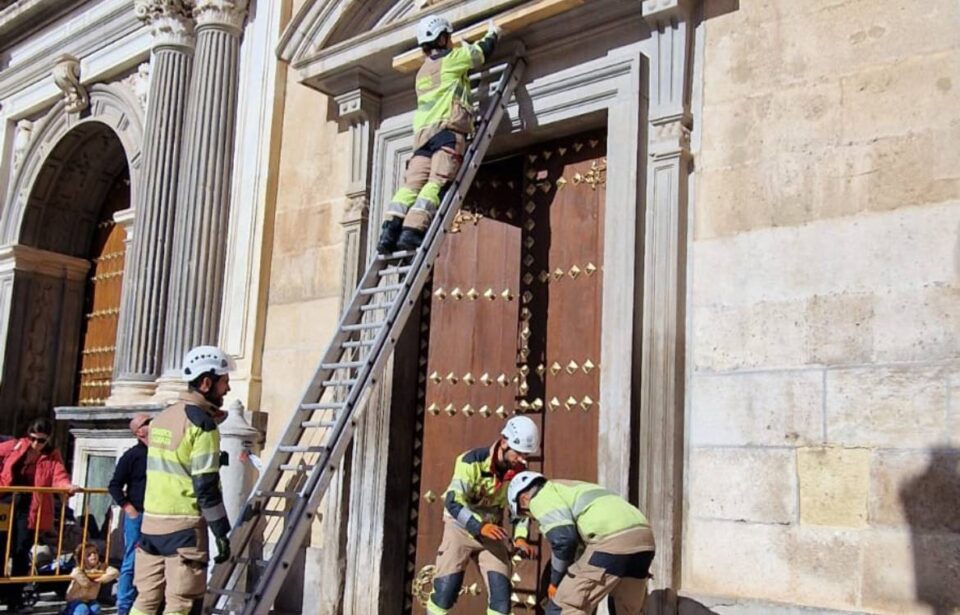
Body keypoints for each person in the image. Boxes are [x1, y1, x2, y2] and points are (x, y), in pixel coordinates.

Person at [376, 14, 501, 254]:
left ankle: (388, 233)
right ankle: (412, 232)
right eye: (448, 37)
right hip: (447, 131)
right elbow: (479, 54)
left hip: (422, 138)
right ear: (442, 38)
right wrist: (492, 34)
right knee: (438, 181)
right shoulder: (452, 60)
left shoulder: (422, 72)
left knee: (410, 186)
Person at [130, 346, 233, 615]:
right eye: (224, 382)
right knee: (182, 605)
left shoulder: (162, 418)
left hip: (151, 526)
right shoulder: (202, 425)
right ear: (206, 382)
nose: (228, 389)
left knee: (145, 602)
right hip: (184, 529)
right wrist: (221, 531)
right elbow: (205, 486)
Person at [427, 416, 540, 615]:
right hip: (460, 528)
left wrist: (520, 538)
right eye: (519, 453)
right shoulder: (470, 461)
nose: (523, 460)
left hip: (491, 533)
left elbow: (519, 510)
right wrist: (478, 526)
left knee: (501, 600)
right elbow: (453, 502)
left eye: (527, 455)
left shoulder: (518, 472)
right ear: (504, 443)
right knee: (445, 591)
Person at [506, 472, 656, 615]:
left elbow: (564, 540)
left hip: (610, 540)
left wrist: (556, 582)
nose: (533, 518)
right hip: (644, 540)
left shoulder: (540, 497)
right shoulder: (570, 488)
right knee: (626, 610)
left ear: (524, 499)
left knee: (564, 606)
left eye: (526, 513)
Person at [0, 418, 80, 611]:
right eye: (33, 438)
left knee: (19, 552)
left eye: (41, 440)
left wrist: (68, 487)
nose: (36, 444)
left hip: (29, 509)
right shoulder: (14, 446)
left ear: (48, 440)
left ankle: (14, 599)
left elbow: (59, 476)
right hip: (6, 502)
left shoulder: (52, 456)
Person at [108, 413, 151, 615]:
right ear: (139, 431)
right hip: (138, 515)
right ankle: (123, 607)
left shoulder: (161, 454)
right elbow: (115, 485)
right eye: (147, 423)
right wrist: (130, 510)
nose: (153, 425)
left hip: (157, 515)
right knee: (131, 562)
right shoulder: (132, 455)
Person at [62, 542, 119, 615]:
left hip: (90, 599)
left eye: (95, 553)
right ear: (82, 558)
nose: (93, 555)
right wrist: (88, 581)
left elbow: (115, 572)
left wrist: (101, 579)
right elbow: (77, 575)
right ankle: (66, 611)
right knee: (82, 610)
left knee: (96, 608)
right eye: (88, 555)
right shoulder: (79, 569)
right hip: (75, 599)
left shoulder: (101, 567)